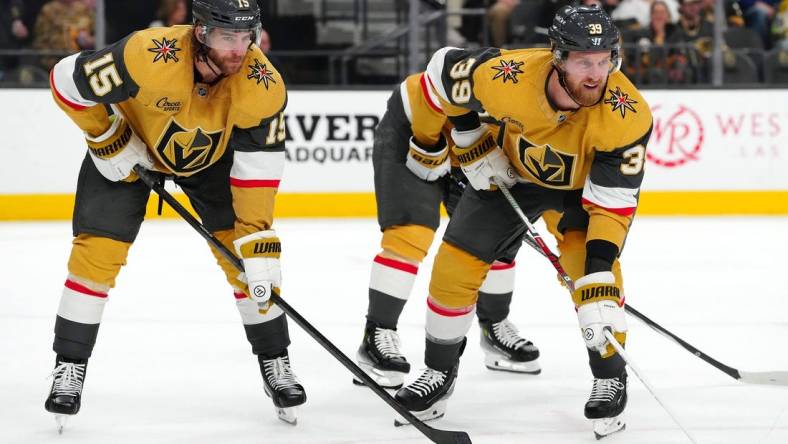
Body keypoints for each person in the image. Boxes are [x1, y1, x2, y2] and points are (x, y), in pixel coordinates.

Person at [393, 5, 652, 440]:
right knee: (453, 268)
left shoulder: (627, 114)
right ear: (558, 57)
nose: (596, 73)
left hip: (580, 192)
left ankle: (610, 375)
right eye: (584, 61)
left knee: (593, 278)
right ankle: (439, 372)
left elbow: (611, 204)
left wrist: (600, 270)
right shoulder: (508, 75)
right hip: (509, 176)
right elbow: (443, 70)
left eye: (604, 59)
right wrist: (468, 135)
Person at [45, 0, 306, 429]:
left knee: (247, 265)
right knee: (96, 256)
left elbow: (258, 174)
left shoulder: (263, 84)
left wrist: (257, 241)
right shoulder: (148, 54)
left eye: (247, 37)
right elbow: (64, 80)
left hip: (209, 162)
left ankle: (276, 362)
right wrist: (106, 134)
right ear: (200, 32)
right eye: (228, 37)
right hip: (128, 152)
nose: (240, 50)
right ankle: (68, 366)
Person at [355, 70, 543, 390]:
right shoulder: (506, 85)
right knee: (411, 233)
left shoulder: (557, 118)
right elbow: (427, 90)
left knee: (498, 234)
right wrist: (433, 150)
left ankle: (494, 326)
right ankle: (377, 335)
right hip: (413, 130)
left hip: (470, 149)